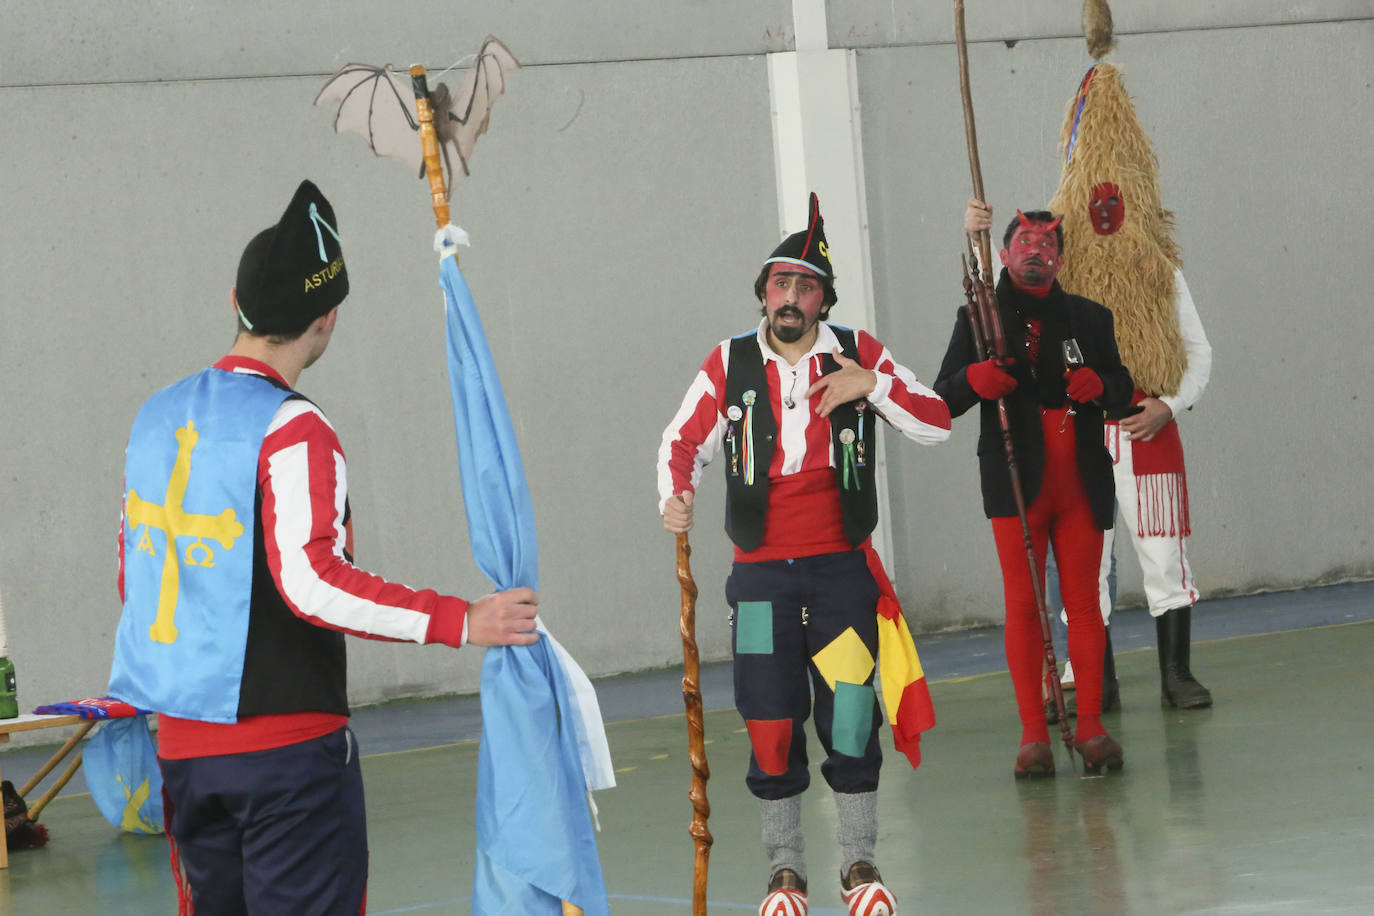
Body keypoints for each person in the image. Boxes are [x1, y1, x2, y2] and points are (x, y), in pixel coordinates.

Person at [108, 180, 540, 915]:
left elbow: (135, 574)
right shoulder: (294, 428)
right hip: (286, 757)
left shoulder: (156, 416)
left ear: (234, 300)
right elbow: (310, 582)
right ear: (327, 318)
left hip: (181, 753)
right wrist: (460, 620)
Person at [658, 193, 950, 916]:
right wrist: (675, 494)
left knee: (850, 713)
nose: (791, 297)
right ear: (763, 291)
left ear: (824, 297)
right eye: (780, 283)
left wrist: (872, 385)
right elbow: (680, 442)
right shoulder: (727, 363)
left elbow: (938, 422)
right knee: (768, 718)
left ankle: (858, 864)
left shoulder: (859, 351)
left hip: (841, 572)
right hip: (759, 576)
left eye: (806, 285)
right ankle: (785, 874)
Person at [972, 60, 1215, 715]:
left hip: (1148, 431)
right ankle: (1094, 678)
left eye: (1118, 200)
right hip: (1082, 440)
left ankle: (1175, 674)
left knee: (1164, 558)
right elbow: (996, 299)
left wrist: (1167, 405)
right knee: (1087, 567)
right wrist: (976, 235)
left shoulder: (1165, 277)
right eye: (1095, 200)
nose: (1107, 210)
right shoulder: (1055, 284)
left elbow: (1199, 354)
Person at [934, 209, 1132, 778]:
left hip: (1081, 486)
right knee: (1024, 606)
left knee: (1084, 607)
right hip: (1015, 485)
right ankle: (1031, 737)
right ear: (1003, 254)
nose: (1036, 249)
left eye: (1047, 242)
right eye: (1024, 240)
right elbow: (942, 397)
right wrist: (974, 380)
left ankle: (1091, 725)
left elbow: (1121, 387)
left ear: (1061, 259)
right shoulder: (978, 318)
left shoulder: (1092, 319)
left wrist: (1103, 387)